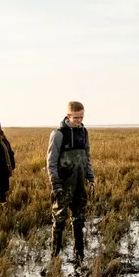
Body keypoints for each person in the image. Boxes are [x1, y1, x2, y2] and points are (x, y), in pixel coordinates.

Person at [47, 101, 95, 261]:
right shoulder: (59, 133)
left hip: (80, 184)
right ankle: (55, 256)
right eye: (76, 117)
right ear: (68, 115)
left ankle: (79, 254)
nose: (79, 120)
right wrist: (55, 184)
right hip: (63, 184)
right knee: (59, 219)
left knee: (79, 219)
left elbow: (87, 156)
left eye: (81, 117)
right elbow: (51, 162)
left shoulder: (84, 132)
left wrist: (90, 177)